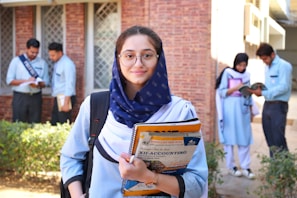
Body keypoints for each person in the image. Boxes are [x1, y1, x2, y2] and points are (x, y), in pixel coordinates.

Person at [60, 25, 208, 198]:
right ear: (118, 59)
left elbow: (196, 183)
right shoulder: (95, 106)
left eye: (147, 55)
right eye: (129, 56)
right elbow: (71, 157)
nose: (138, 63)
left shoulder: (180, 113)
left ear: (159, 60)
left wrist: (148, 177)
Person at [215, 53, 255, 179]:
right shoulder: (228, 73)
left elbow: (249, 94)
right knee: (229, 139)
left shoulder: (247, 75)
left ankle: (246, 167)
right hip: (229, 110)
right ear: (235, 63)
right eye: (239, 65)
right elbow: (221, 92)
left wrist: (251, 109)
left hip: (243, 110)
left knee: (244, 140)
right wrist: (236, 88)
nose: (241, 68)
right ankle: (231, 166)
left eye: (244, 65)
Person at [249, 43, 292, 157]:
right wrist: (260, 90)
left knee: (278, 137)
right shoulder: (267, 67)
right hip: (267, 104)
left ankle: (285, 166)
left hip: (279, 105)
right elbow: (271, 86)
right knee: (269, 136)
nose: (264, 61)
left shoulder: (284, 66)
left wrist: (263, 93)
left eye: (265, 58)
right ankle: (274, 166)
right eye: (262, 59)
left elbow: (284, 87)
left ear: (272, 54)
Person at [6, 38, 49, 123]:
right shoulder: (16, 61)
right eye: (32, 52)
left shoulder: (42, 63)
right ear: (27, 49)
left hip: (36, 96)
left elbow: (46, 82)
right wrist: (26, 81)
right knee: (18, 122)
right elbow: (9, 80)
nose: (34, 54)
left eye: (36, 52)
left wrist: (38, 84)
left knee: (35, 122)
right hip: (20, 96)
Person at [48, 42, 76, 125]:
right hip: (59, 97)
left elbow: (70, 84)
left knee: (63, 123)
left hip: (65, 97)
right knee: (55, 123)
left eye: (53, 55)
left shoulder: (67, 64)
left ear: (60, 53)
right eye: (50, 55)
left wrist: (66, 103)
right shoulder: (58, 63)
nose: (51, 58)